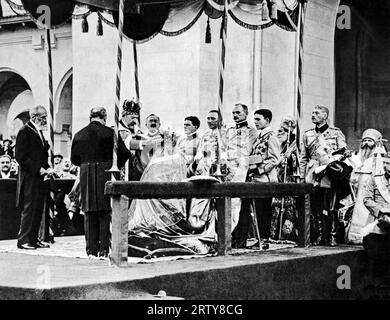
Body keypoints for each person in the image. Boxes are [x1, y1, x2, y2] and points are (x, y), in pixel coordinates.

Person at [71, 107, 132, 258]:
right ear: (104, 118)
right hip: (105, 171)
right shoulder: (110, 133)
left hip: (86, 171)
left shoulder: (79, 134)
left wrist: (86, 163)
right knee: (104, 211)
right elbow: (124, 153)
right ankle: (104, 249)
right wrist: (114, 164)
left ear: (90, 117)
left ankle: (91, 249)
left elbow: (74, 159)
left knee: (89, 210)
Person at [300, 105, 347, 246]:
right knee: (316, 204)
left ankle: (332, 235)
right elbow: (304, 158)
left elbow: (343, 151)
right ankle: (319, 235)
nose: (313, 115)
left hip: (330, 172)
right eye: (312, 112)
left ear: (325, 116)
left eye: (317, 113)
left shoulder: (336, 133)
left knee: (331, 205)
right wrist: (303, 177)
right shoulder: (308, 134)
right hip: (313, 173)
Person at [15, 105, 52, 250]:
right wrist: (39, 169)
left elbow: (41, 154)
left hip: (39, 177)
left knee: (37, 208)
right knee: (29, 208)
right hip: (30, 177)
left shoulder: (38, 131)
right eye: (43, 118)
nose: (45, 121)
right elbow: (21, 156)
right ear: (35, 117)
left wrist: (48, 168)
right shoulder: (25, 131)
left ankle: (33, 239)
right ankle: (23, 240)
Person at [224, 103, 257, 248]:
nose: (235, 116)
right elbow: (224, 148)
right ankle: (228, 236)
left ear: (246, 113)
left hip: (243, 171)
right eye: (233, 113)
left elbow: (249, 151)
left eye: (238, 113)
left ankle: (241, 238)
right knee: (228, 204)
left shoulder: (251, 131)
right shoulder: (229, 131)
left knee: (242, 207)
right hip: (229, 172)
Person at [245, 109, 280, 244]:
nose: (255, 122)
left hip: (266, 179)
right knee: (258, 210)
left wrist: (259, 169)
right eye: (254, 119)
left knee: (264, 210)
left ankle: (264, 239)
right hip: (257, 179)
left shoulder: (271, 137)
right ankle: (260, 238)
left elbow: (275, 159)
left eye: (258, 119)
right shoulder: (260, 137)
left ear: (267, 120)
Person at [346, 129, 383, 244]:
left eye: (370, 140)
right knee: (356, 212)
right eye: (365, 140)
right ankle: (354, 237)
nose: (366, 143)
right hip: (359, 188)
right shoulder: (359, 157)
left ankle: (365, 237)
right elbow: (354, 174)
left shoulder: (378, 157)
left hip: (371, 190)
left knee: (366, 212)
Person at [270, 117, 299, 241]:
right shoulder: (280, 145)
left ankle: (287, 233)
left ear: (288, 132)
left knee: (289, 207)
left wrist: (289, 157)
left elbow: (297, 160)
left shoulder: (294, 144)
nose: (278, 133)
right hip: (279, 177)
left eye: (282, 131)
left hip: (289, 178)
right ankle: (275, 234)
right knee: (276, 206)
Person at [362, 155, 390, 285]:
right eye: (388, 164)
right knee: (375, 257)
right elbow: (367, 199)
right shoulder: (376, 179)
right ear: (384, 165)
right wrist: (381, 210)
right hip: (377, 223)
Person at [118, 99, 150, 181]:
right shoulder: (117, 129)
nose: (135, 121)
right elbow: (128, 143)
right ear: (124, 115)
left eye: (136, 118)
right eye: (132, 118)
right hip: (123, 166)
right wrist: (144, 143)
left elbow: (142, 137)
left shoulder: (135, 128)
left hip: (135, 167)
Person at [191, 109, 227, 177]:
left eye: (213, 119)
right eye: (208, 118)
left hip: (219, 167)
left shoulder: (224, 134)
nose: (210, 121)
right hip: (205, 166)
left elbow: (225, 151)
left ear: (219, 120)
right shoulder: (206, 134)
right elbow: (200, 151)